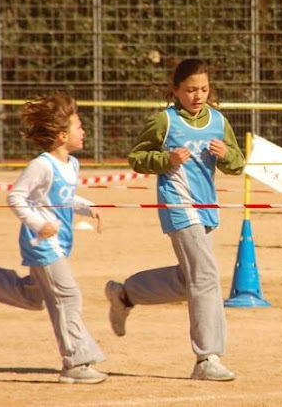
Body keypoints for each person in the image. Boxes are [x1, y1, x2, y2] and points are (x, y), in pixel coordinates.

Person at [0, 94, 107, 384]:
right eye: (79, 127)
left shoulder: (71, 165)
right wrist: (37, 224)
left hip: (61, 242)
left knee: (34, 297)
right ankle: (76, 363)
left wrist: (85, 207)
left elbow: (63, 197)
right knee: (67, 295)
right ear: (61, 136)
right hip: (42, 244)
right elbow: (16, 197)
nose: (84, 132)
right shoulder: (42, 165)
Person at [105, 58, 245, 382]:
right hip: (177, 205)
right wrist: (164, 159)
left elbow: (237, 164)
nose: (198, 96)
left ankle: (125, 294)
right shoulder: (164, 121)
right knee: (206, 276)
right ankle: (206, 358)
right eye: (191, 90)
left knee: (189, 279)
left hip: (207, 208)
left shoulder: (219, 121)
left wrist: (227, 155)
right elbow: (136, 157)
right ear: (176, 91)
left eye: (204, 89)